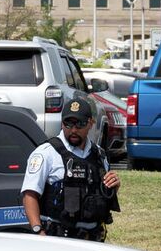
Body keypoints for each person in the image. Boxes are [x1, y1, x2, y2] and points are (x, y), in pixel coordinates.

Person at [21, 97, 120, 240]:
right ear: (62, 123)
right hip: (58, 238)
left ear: (90, 123)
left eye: (79, 124)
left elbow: (100, 195)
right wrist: (38, 232)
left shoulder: (99, 155)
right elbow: (29, 195)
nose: (73, 130)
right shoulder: (46, 153)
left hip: (93, 238)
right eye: (68, 124)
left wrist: (114, 186)